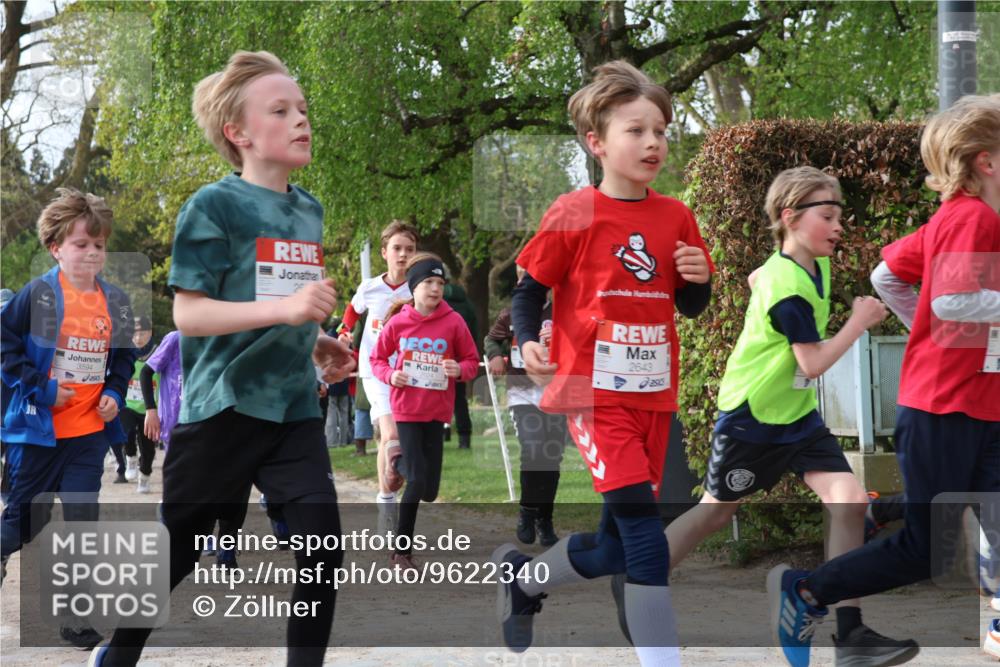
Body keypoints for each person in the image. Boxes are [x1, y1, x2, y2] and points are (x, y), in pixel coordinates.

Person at [91, 50, 355, 667]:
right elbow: (191, 315)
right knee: (179, 549)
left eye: (303, 109)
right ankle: (118, 653)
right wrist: (291, 313)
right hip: (222, 408)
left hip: (291, 408)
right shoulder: (213, 206)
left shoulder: (309, 209)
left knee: (322, 546)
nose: (300, 120)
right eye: (281, 110)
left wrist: (312, 340)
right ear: (238, 133)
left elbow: (268, 299)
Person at [627, 167, 913, 666]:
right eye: (827, 215)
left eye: (839, 214)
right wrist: (859, 322)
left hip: (797, 415)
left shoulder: (807, 265)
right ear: (790, 217)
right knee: (715, 514)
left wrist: (765, 280)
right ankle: (639, 582)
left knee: (847, 503)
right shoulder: (789, 287)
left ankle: (851, 636)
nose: (838, 225)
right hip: (752, 417)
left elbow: (759, 274)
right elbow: (814, 362)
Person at [492, 60, 713, 666]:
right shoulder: (574, 211)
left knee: (618, 547)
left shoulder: (676, 216)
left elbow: (690, 304)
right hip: (591, 391)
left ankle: (526, 579)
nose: (652, 143)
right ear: (597, 142)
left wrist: (697, 280)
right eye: (636, 131)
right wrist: (526, 341)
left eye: (661, 132)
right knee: (646, 544)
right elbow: (530, 286)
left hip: (654, 393)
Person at [768, 94, 1000, 666]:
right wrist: (940, 330)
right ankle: (806, 590)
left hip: (979, 406)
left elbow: (885, 274)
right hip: (944, 408)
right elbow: (950, 300)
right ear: (986, 160)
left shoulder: (959, 219)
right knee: (927, 551)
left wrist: (931, 332)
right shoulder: (973, 216)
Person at [0, 188, 136, 650]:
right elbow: (6, 343)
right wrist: (42, 387)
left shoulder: (115, 301)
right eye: (81, 244)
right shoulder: (38, 295)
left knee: (82, 521)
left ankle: (75, 621)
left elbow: (122, 360)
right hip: (39, 433)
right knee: (26, 521)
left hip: (87, 436)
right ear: (56, 247)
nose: (92, 253)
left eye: (99, 245)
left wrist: (115, 394)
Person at [370, 253, 479, 569]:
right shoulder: (399, 321)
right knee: (417, 483)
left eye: (440, 283)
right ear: (414, 287)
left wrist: (458, 368)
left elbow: (472, 362)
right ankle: (401, 551)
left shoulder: (454, 321)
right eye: (428, 282)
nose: (435, 288)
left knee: (429, 490)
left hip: (437, 412)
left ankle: (398, 461)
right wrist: (391, 375)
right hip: (406, 410)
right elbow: (377, 360)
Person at [339, 220, 418, 533]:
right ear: (384, 252)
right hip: (376, 372)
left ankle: (387, 492)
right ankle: (387, 505)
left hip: (410, 374)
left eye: (409, 250)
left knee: (402, 442)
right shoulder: (370, 287)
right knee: (390, 435)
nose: (402, 255)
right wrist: (345, 332)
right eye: (397, 249)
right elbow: (352, 310)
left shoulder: (420, 288)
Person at [485, 267, 566, 547]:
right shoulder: (510, 314)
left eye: (532, 273)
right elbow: (491, 339)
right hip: (522, 394)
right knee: (533, 449)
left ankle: (545, 519)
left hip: (556, 393)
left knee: (552, 458)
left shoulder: (562, 311)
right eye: (520, 274)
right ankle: (526, 512)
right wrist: (495, 355)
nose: (525, 280)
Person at [119, 316, 157, 493]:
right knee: (125, 431)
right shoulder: (125, 352)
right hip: (128, 404)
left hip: (150, 408)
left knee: (148, 448)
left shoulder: (159, 352)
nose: (138, 337)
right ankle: (130, 456)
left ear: (150, 333)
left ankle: (145, 475)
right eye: (134, 333)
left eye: (142, 333)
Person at [442, 273, 478, 448]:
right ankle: (465, 438)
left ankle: (443, 434)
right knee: (460, 399)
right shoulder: (467, 304)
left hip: (440, 355)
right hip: (460, 358)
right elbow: (475, 329)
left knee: (436, 395)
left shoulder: (438, 303)